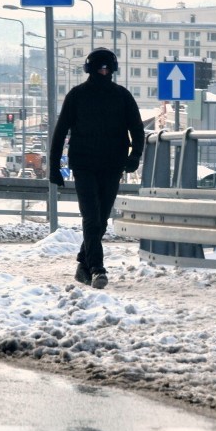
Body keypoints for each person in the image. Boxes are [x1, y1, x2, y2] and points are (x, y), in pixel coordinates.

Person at [48, 47, 144, 289]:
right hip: (84, 166)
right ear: (90, 69)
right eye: (100, 67)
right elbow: (59, 133)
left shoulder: (122, 96)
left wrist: (135, 156)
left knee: (100, 220)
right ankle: (97, 269)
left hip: (112, 166)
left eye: (107, 67)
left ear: (113, 69)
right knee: (91, 218)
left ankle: (83, 263)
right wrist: (54, 166)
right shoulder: (76, 96)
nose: (104, 71)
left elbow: (137, 129)